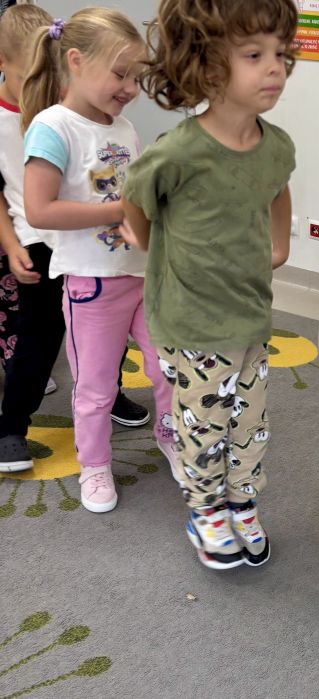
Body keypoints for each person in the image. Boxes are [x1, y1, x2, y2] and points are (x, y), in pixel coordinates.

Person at [120, 0, 297, 570]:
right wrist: (152, 247)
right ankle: (205, 509)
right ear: (207, 64)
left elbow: (278, 187)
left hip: (250, 312)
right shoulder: (178, 152)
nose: (275, 68)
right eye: (254, 55)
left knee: (250, 420)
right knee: (203, 423)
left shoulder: (276, 145)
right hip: (191, 320)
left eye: (280, 54)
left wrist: (279, 245)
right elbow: (135, 203)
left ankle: (241, 501)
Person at [20, 8, 173, 508]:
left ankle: (172, 438)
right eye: (120, 74)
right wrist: (118, 209)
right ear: (76, 61)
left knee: (169, 369)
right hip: (93, 284)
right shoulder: (52, 126)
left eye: (136, 78)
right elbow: (40, 210)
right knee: (96, 387)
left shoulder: (124, 128)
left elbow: (135, 198)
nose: (130, 88)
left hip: (144, 276)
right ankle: (94, 465)